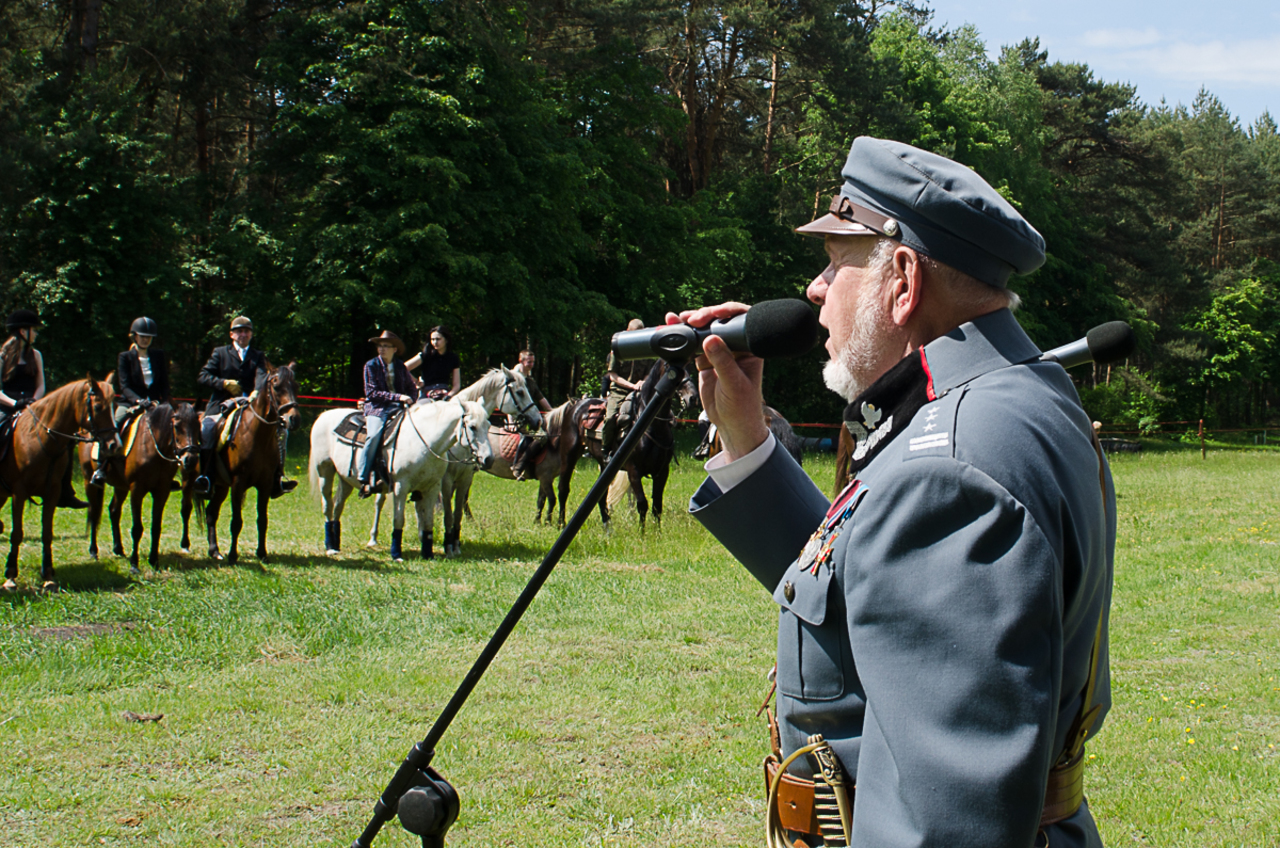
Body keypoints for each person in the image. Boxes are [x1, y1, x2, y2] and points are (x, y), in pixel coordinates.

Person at [679, 137, 1116, 848]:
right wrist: (745, 438)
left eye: (833, 262)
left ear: (903, 279)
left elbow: (940, 824)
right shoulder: (1017, 396)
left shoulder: (948, 465)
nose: (815, 290)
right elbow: (872, 588)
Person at [194, 316, 295, 497]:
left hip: (249, 403)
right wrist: (224, 383)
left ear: (251, 334)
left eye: (246, 331)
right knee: (208, 429)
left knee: (281, 432)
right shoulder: (220, 353)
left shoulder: (258, 356)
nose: (243, 334)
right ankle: (206, 477)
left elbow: (262, 376)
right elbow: (203, 376)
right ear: (232, 335)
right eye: (239, 331)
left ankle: (277, 477)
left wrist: (256, 392)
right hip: (220, 404)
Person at [1, 309, 88, 509]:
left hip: (32, 407)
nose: (37, 334)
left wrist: (35, 403)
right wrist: (15, 404)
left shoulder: (36, 355)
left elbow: (40, 384)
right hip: (7, 406)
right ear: (23, 331)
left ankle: (65, 491)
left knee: (65, 440)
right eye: (34, 330)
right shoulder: (2, 356)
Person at [88, 317, 173, 489]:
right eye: (142, 336)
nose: (146, 339)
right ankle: (102, 467)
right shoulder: (125, 357)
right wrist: (138, 401)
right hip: (131, 403)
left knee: (175, 427)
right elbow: (124, 386)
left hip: (156, 404)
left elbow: (164, 383)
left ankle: (169, 471)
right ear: (134, 336)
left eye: (149, 336)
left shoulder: (158, 356)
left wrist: (164, 403)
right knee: (115, 425)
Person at [358, 330, 416, 498]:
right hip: (377, 407)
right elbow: (372, 393)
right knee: (374, 434)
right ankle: (364, 475)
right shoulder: (371, 365)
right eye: (380, 346)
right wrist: (398, 397)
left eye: (385, 346)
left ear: (394, 349)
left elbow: (411, 388)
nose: (381, 349)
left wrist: (412, 399)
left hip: (399, 407)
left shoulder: (400, 366)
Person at [600, 318, 650, 454]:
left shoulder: (646, 350)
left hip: (640, 391)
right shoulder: (617, 350)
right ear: (628, 332)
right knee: (610, 418)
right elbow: (613, 376)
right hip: (619, 391)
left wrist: (643, 382)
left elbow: (648, 373)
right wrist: (632, 386)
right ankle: (606, 450)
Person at [509, 349, 554, 480]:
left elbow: (541, 398)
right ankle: (518, 467)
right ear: (521, 361)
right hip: (521, 420)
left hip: (531, 418)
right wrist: (511, 421)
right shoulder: (516, 380)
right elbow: (511, 402)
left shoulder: (530, 380)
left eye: (533, 362)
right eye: (529, 362)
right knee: (542, 437)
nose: (531, 364)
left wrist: (553, 413)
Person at [405, 325, 461, 400]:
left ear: (446, 340)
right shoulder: (425, 355)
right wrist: (416, 382)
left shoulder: (453, 358)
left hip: (445, 393)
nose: (435, 342)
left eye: (438, 339)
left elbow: (456, 385)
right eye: (432, 339)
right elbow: (404, 367)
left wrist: (448, 395)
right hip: (427, 393)